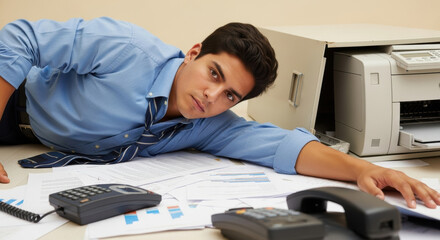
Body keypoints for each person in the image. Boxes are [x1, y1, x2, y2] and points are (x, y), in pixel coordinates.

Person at [0, 17, 439, 210]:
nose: (212, 96)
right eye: (213, 73)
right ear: (194, 52)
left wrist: (363, 168)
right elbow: (20, 38)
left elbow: (281, 145)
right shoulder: (126, 48)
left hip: (39, 146)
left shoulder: (207, 124)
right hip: (11, 99)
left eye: (230, 95)